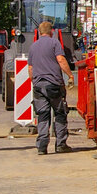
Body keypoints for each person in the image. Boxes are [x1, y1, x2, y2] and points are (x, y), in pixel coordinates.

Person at [28, 21, 75, 155]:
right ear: (52, 31)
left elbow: (30, 68)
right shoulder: (55, 43)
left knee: (43, 114)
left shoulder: (33, 46)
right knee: (60, 113)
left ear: (39, 32)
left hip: (38, 85)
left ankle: (42, 147)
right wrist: (70, 75)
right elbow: (61, 60)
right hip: (53, 84)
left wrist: (34, 82)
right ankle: (60, 144)